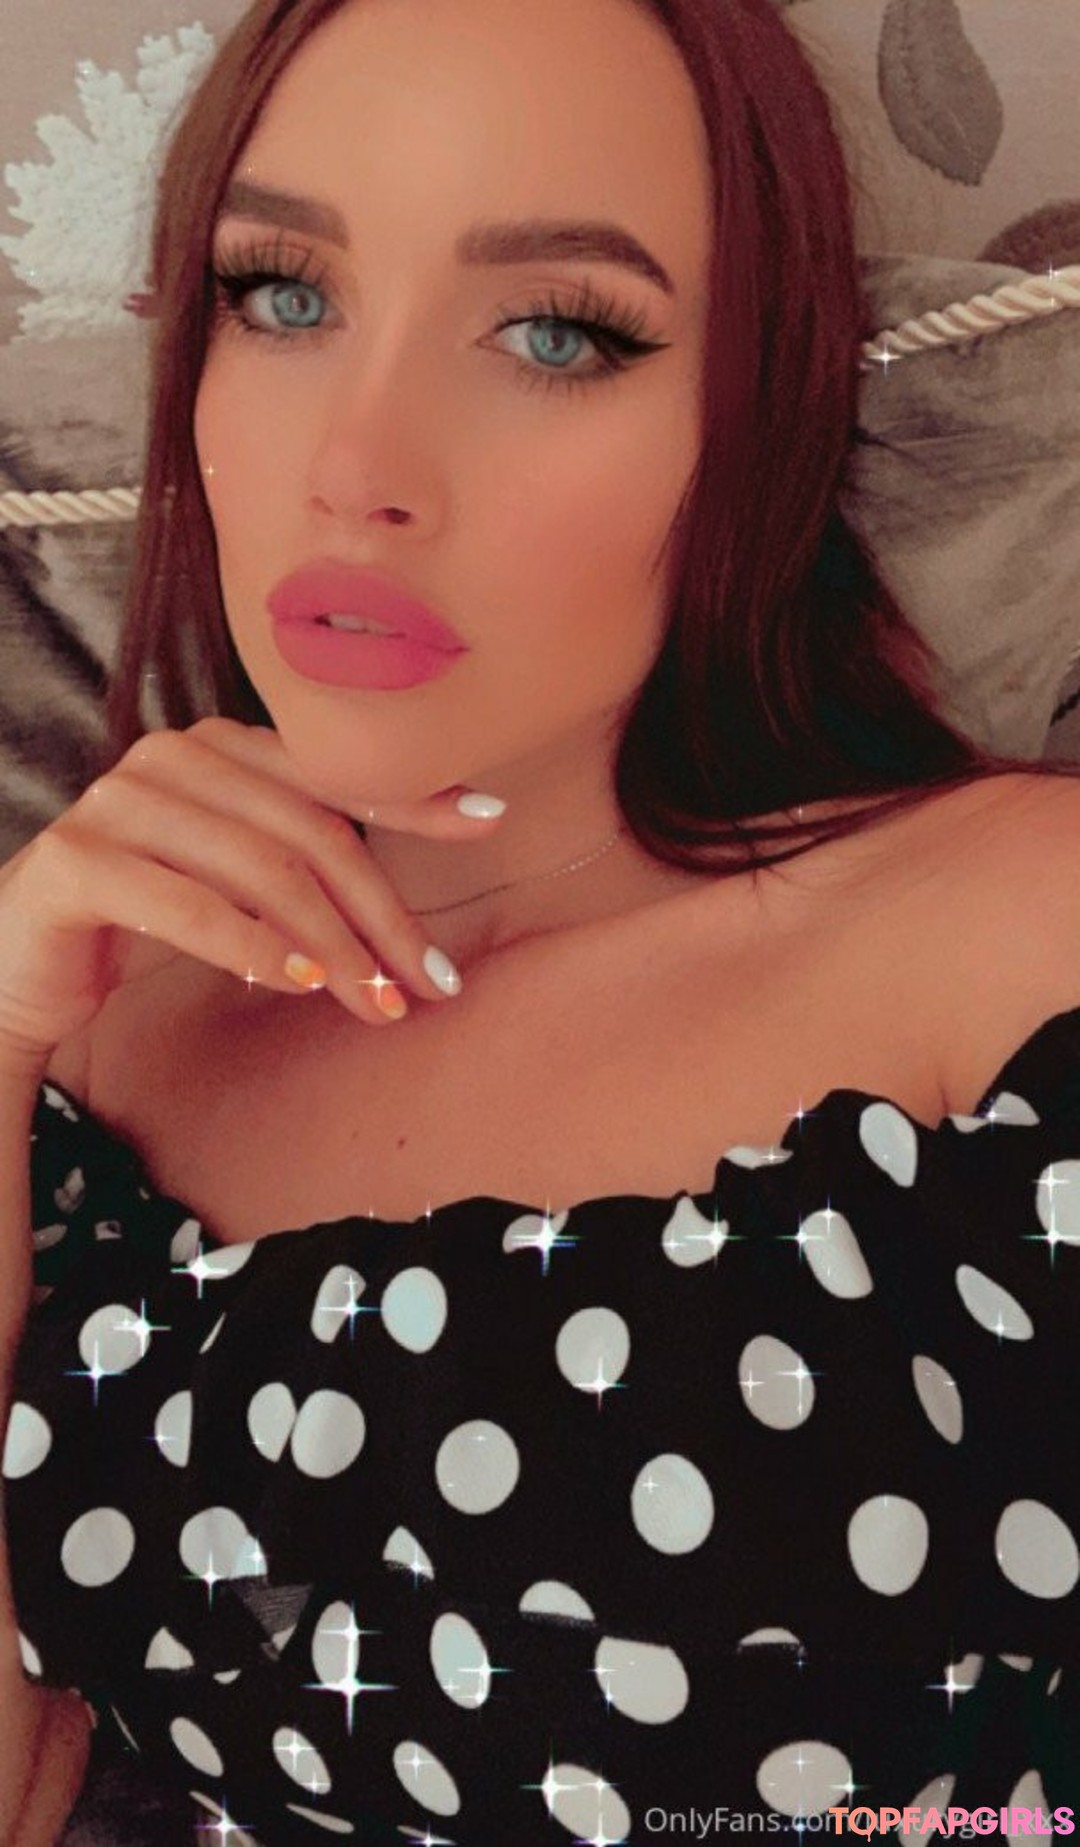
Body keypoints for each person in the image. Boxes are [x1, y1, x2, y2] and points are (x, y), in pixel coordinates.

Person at [1, 0, 1080, 1838]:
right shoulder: (95, 1058)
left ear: (754, 416)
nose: (359, 464)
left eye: (556, 333)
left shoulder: (1018, 936)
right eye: (282, 296)